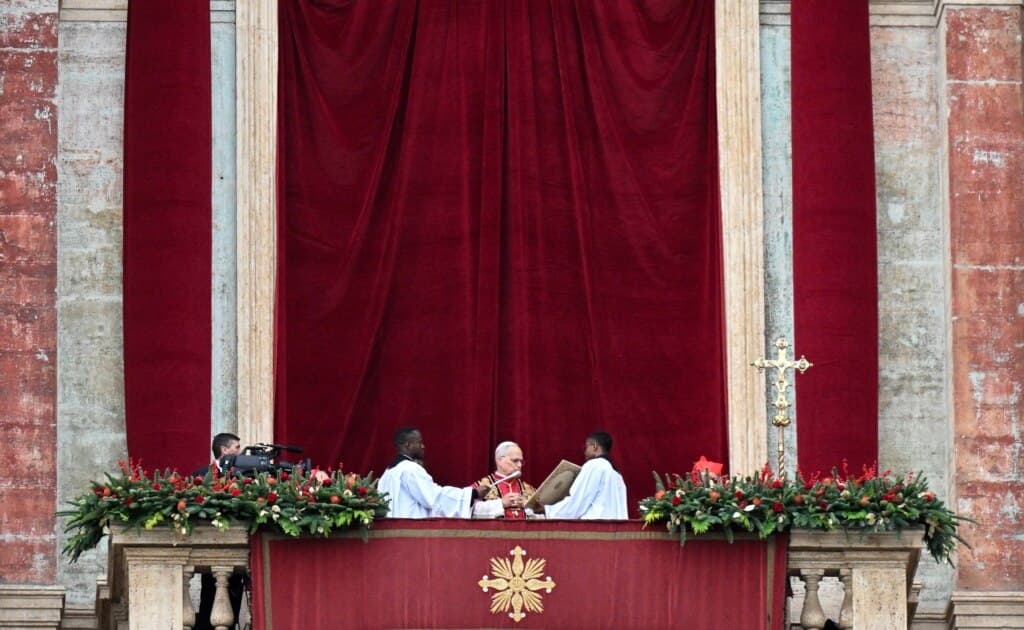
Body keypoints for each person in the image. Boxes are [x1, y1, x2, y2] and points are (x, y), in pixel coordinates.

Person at [194, 433, 246, 630]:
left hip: (239, 545)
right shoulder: (200, 475)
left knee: (235, 596)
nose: (239, 452)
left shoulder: (243, 474)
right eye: (237, 447)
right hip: (209, 546)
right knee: (209, 596)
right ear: (225, 450)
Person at [378, 427, 487, 518]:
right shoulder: (410, 469)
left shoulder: (387, 473)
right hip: (410, 532)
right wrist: (472, 494)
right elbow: (435, 497)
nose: (423, 446)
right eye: (419, 442)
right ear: (408, 445)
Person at [535, 431, 628, 520]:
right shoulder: (617, 475)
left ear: (594, 446)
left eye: (586, 447)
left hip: (597, 529)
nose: (584, 452)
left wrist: (547, 510)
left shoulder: (594, 465)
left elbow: (577, 502)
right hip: (617, 532)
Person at [471, 441, 537, 519]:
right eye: (515, 461)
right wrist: (501, 503)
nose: (519, 465)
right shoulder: (481, 487)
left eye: (521, 461)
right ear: (500, 460)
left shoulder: (528, 489)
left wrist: (528, 506)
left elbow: (544, 516)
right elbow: (468, 511)